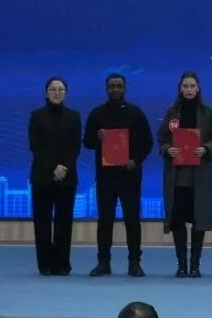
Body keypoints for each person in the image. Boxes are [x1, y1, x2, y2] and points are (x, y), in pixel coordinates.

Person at [83, 73, 154, 277]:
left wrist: (135, 160)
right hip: (105, 177)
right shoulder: (97, 114)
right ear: (106, 89)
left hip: (130, 176)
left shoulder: (136, 113)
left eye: (119, 86)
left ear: (125, 88)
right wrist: (97, 138)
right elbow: (87, 142)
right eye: (112, 86)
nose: (115, 89)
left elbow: (148, 143)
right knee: (105, 221)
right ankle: (103, 263)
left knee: (132, 220)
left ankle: (134, 263)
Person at [156, 71, 212, 277]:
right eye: (185, 86)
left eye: (192, 86)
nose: (189, 90)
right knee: (177, 221)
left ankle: (195, 265)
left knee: (198, 221)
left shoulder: (207, 112)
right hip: (177, 177)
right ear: (180, 88)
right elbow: (162, 138)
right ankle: (181, 264)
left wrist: (207, 148)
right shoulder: (172, 112)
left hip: (199, 175)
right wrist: (168, 149)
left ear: (198, 88)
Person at [28, 76, 82, 276]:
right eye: (53, 89)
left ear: (66, 93)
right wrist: (53, 167)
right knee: (42, 222)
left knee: (64, 222)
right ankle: (45, 264)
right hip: (42, 176)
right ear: (46, 93)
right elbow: (35, 146)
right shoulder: (36, 116)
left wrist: (63, 167)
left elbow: (75, 146)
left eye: (60, 89)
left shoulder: (74, 116)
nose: (57, 93)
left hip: (67, 177)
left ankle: (62, 264)